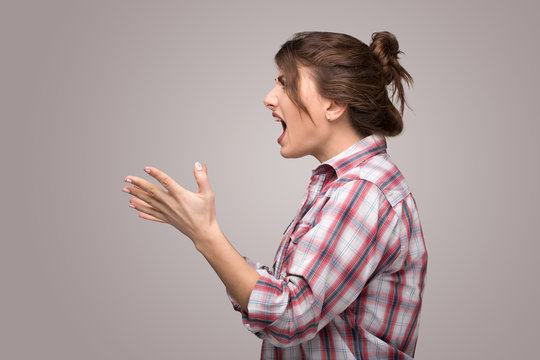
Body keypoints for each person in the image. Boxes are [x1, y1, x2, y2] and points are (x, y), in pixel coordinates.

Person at [122, 31, 427, 359]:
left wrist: (206, 235)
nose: (269, 97)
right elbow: (291, 300)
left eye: (285, 82)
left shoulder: (363, 193)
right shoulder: (344, 186)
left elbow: (290, 316)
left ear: (334, 103)